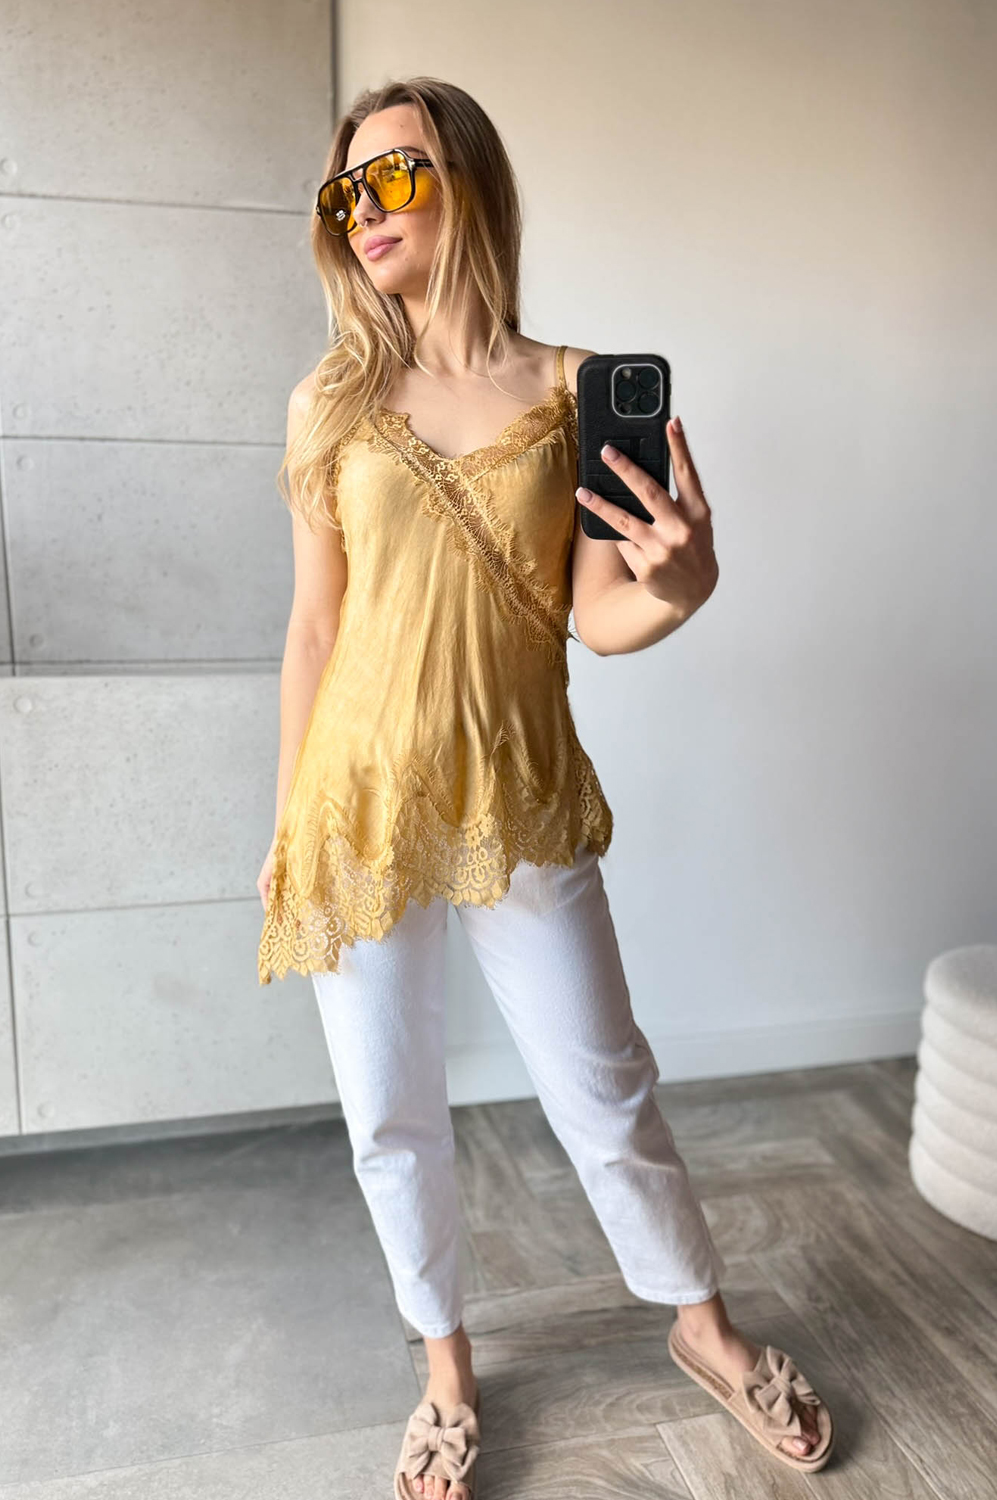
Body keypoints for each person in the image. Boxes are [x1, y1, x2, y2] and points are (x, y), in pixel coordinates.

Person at [256, 76, 833, 1499]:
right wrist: (284, 828)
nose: (365, 211)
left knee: (603, 1082)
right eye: (346, 191)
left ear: (467, 180)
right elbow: (314, 629)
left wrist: (683, 585)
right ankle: (446, 1371)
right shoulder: (330, 399)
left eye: (394, 175)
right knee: (390, 1115)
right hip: (355, 803)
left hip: (516, 790)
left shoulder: (574, 387)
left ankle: (702, 1329)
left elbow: (596, 612)